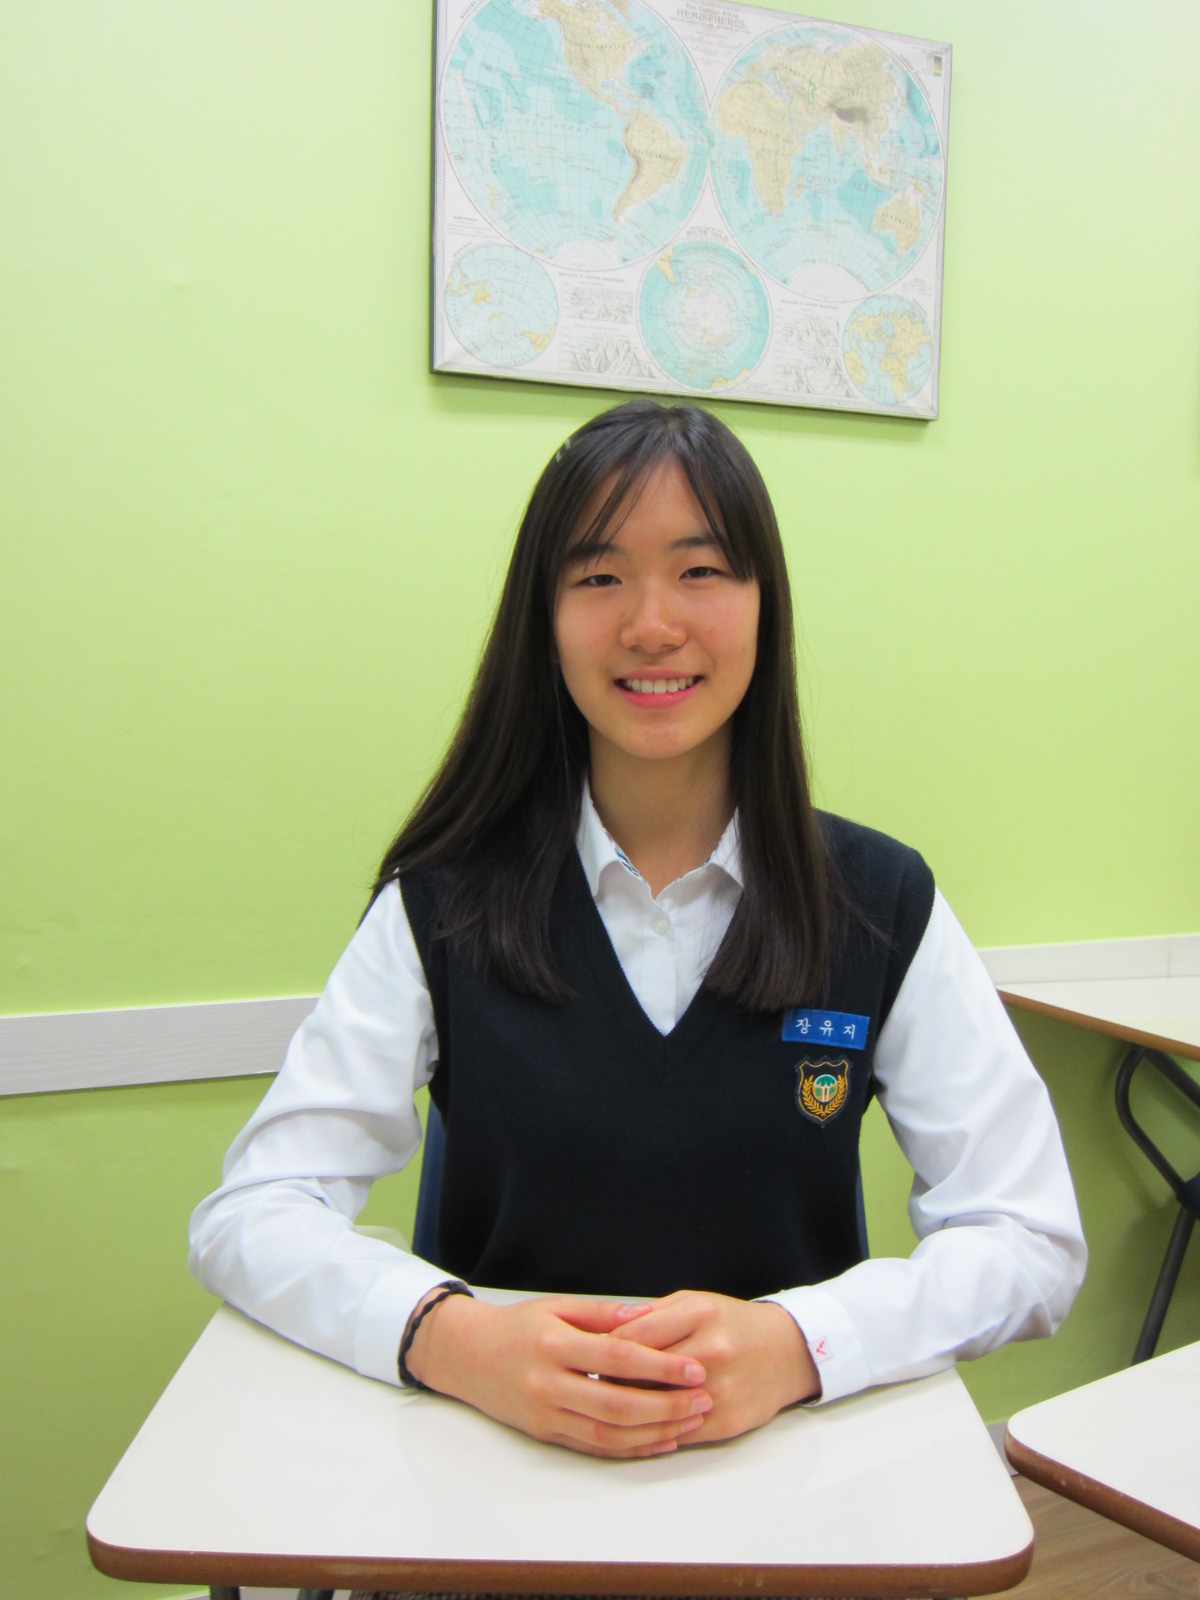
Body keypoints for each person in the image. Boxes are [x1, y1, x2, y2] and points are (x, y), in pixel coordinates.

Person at [189, 399, 1086, 1461]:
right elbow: (255, 1210)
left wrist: (803, 1343)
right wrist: (453, 1338)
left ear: (764, 605)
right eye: (599, 576)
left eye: (700, 570)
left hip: (791, 1477)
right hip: (495, 1470)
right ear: (543, 616)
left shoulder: (876, 898)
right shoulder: (447, 900)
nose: (652, 624)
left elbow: (1028, 1234)